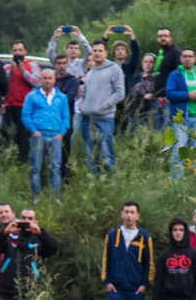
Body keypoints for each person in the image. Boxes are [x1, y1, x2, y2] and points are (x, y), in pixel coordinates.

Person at [0, 208, 58, 300]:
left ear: (36, 221)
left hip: (28, 291)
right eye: (24, 218)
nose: (26, 221)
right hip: (5, 290)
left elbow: (53, 248)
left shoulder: (39, 239)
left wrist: (41, 232)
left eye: (30, 219)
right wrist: (5, 231)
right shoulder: (10, 236)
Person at [77, 41, 125, 175]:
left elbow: (120, 93)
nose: (97, 54)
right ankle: (95, 183)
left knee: (106, 152)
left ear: (106, 53)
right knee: (91, 153)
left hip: (105, 117)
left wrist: (102, 106)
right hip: (87, 117)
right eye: (95, 51)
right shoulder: (91, 71)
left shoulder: (114, 68)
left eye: (100, 51)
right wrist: (83, 105)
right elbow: (85, 93)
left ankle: (112, 183)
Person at [22, 69, 70, 197]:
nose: (47, 81)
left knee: (55, 167)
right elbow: (26, 115)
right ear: (40, 79)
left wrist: (61, 133)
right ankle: (36, 196)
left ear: (54, 80)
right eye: (44, 78)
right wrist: (34, 131)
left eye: (50, 78)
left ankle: (55, 197)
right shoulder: (32, 96)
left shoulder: (62, 97)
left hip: (55, 135)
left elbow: (66, 117)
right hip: (38, 135)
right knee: (36, 167)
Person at [166, 48, 196, 178]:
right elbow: (169, 93)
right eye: (185, 56)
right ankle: (175, 180)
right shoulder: (175, 74)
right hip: (181, 118)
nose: (188, 59)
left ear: (194, 59)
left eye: (190, 56)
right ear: (181, 59)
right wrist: (188, 95)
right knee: (179, 150)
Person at [102, 201, 153, 300]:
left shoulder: (144, 237)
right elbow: (105, 260)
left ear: (137, 216)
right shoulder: (112, 235)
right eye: (126, 212)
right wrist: (107, 282)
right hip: (115, 290)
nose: (129, 215)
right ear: (122, 214)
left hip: (136, 290)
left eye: (132, 212)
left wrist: (144, 284)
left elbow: (149, 263)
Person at [154, 218, 196, 300]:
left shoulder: (195, 254)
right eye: (175, 230)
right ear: (171, 232)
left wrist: (194, 299)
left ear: (185, 232)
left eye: (181, 230)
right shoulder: (164, 255)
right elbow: (158, 279)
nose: (178, 233)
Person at [3, 40, 40, 164]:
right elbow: (2, 86)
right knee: (9, 135)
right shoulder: (7, 67)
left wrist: (24, 71)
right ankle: (9, 160)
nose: (18, 53)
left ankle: (24, 161)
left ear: (25, 52)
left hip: (25, 106)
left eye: (20, 50)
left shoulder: (32, 65)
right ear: (12, 52)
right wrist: (11, 72)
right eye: (15, 50)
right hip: (9, 105)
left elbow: (37, 83)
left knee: (24, 136)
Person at [51, 56, 80, 179]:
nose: (61, 66)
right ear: (55, 65)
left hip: (64, 119)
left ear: (67, 65)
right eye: (59, 63)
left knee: (65, 148)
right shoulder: (51, 79)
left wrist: (52, 101)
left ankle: (65, 177)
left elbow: (69, 98)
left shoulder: (72, 80)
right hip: (50, 119)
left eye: (64, 63)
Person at [152, 28, 181, 130]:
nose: (163, 38)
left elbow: (178, 76)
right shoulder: (161, 54)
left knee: (168, 131)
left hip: (168, 99)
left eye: (165, 36)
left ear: (170, 38)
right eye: (160, 36)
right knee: (157, 132)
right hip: (157, 99)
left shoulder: (175, 53)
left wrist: (170, 94)